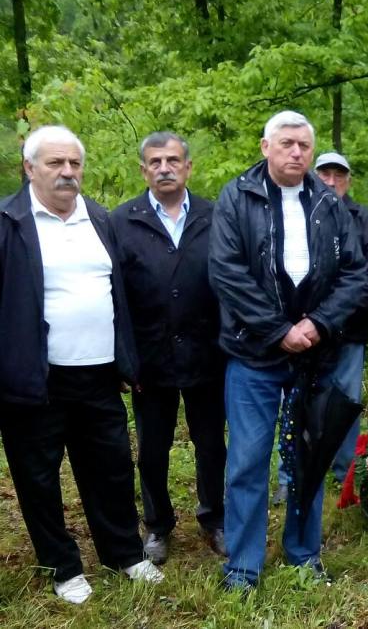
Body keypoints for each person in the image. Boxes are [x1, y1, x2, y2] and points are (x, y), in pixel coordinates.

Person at [0, 125, 163, 604]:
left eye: (74, 163)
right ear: (29, 168)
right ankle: (64, 567)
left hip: (99, 374)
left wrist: (128, 360)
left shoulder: (98, 218)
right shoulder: (9, 223)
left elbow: (119, 296)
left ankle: (124, 554)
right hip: (35, 381)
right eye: (55, 163)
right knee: (38, 480)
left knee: (111, 470)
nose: (67, 172)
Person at [209, 111, 366, 591]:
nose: (296, 152)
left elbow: (355, 273)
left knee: (308, 457)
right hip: (254, 353)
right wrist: (279, 330)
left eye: (304, 145)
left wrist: (317, 324)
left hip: (314, 356)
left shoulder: (328, 202)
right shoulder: (237, 198)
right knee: (249, 461)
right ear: (265, 147)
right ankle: (243, 565)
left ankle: (303, 553)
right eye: (287, 144)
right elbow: (226, 272)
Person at [111, 132, 227, 565]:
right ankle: (157, 525)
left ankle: (214, 518)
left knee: (211, 444)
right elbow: (115, 296)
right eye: (155, 161)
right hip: (150, 359)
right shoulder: (121, 221)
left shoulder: (215, 217)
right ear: (143, 170)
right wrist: (125, 359)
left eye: (173, 160)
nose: (165, 168)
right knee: (153, 450)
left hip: (207, 354)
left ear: (188, 166)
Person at [273, 151, 368, 503]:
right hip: (302, 333)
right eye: (325, 174)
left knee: (345, 401)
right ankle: (289, 473)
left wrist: (336, 314)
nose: (332, 181)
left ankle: (344, 471)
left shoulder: (360, 217)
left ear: (348, 180)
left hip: (348, 331)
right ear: (314, 176)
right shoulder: (298, 212)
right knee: (294, 402)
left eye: (340, 175)